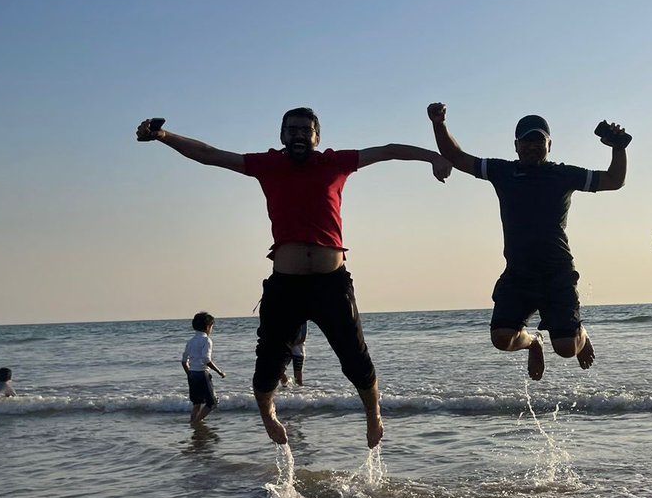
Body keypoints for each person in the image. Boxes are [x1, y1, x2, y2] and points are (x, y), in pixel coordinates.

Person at [137, 109, 450, 447]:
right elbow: (210, 155)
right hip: (286, 285)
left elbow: (388, 150)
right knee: (268, 362)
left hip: (332, 283)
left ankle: (373, 415)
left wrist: (433, 156)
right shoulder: (267, 165)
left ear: (317, 137)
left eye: (306, 129)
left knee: (355, 357)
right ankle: (268, 414)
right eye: (292, 129)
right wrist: (164, 137)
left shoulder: (335, 162)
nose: (299, 134)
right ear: (282, 135)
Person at [427, 102, 629, 380]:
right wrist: (439, 124)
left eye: (539, 141)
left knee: (567, 349)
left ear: (550, 145)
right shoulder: (502, 172)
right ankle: (534, 342)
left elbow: (614, 180)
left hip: (557, 270)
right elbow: (455, 156)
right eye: (526, 141)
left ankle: (579, 332)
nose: (532, 146)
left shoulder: (564, 174)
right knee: (501, 338)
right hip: (519, 273)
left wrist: (618, 148)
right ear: (516, 145)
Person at [182, 311, 226, 424]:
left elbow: (183, 361)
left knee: (197, 403)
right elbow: (206, 359)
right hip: (202, 374)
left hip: (192, 373)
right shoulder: (207, 340)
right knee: (212, 403)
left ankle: (193, 422)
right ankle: (196, 423)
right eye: (212, 327)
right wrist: (219, 372)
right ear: (208, 327)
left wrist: (189, 374)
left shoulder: (190, 341)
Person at [281, 323, 308, 387]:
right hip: (287, 350)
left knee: (298, 379)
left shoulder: (303, 322)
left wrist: (291, 344)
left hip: (298, 352)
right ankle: (285, 389)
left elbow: (302, 338)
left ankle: (299, 393)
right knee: (279, 371)